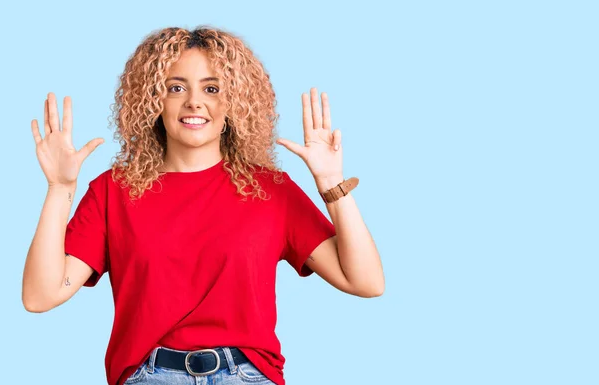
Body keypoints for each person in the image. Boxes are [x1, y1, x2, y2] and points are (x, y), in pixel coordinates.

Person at [22, 26, 384, 385]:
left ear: (235, 102)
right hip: (148, 376)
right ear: (153, 100)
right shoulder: (113, 192)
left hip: (248, 376)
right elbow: (40, 296)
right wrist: (59, 187)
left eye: (211, 88)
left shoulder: (271, 191)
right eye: (176, 87)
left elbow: (366, 281)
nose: (194, 101)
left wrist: (331, 184)